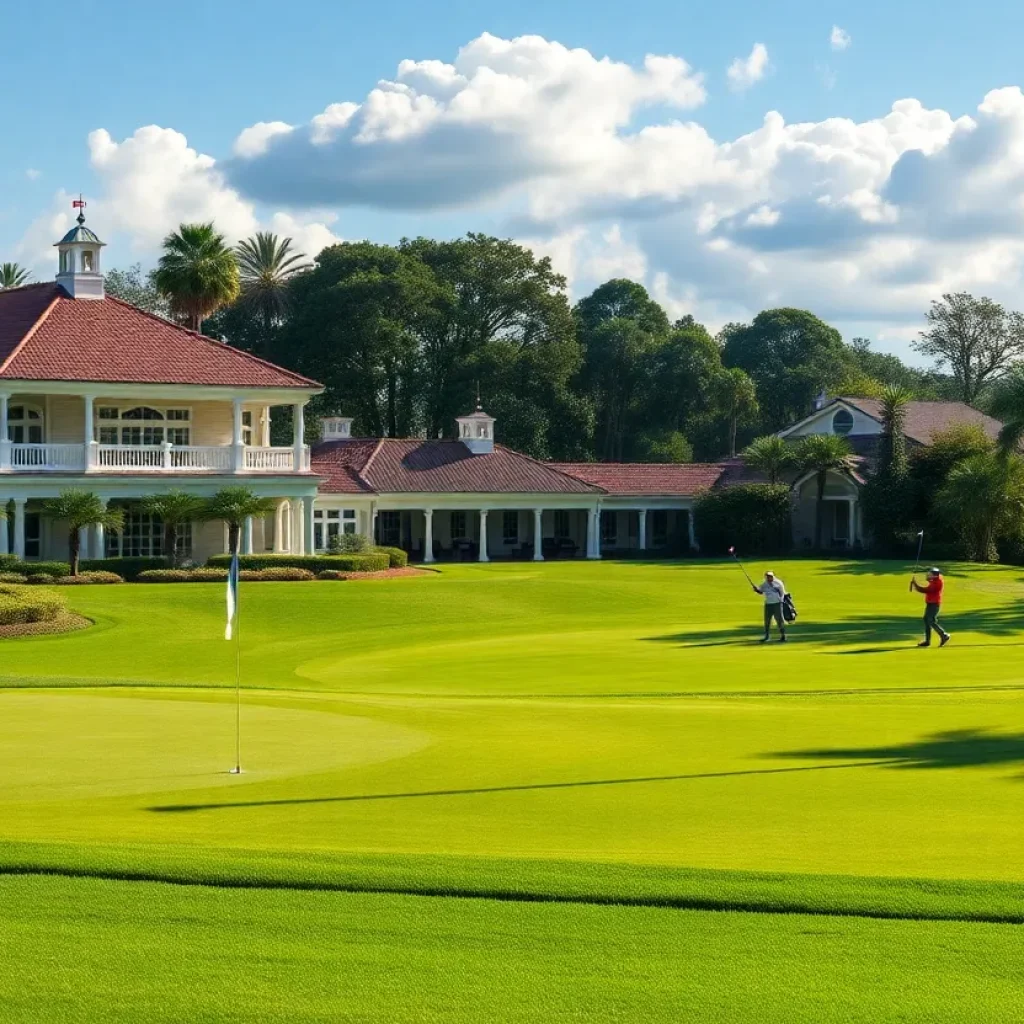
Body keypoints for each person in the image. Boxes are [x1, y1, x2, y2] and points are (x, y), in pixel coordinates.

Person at [910, 568, 950, 647]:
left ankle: (944, 635)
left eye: (930, 574)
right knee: (926, 620)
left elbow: (925, 590)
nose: (928, 575)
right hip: (930, 603)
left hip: (934, 604)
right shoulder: (935, 580)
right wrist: (928, 579)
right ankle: (927, 641)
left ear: (935, 576)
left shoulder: (937, 583)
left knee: (931, 621)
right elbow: (930, 581)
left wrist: (915, 584)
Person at [753, 570, 787, 643]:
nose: (769, 577)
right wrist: (756, 589)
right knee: (767, 621)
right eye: (767, 576)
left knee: (779, 620)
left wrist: (780, 601)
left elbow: (782, 593)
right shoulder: (765, 584)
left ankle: (783, 635)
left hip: (777, 604)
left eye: (770, 576)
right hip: (768, 604)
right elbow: (761, 591)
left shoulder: (778, 583)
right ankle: (767, 637)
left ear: (773, 576)